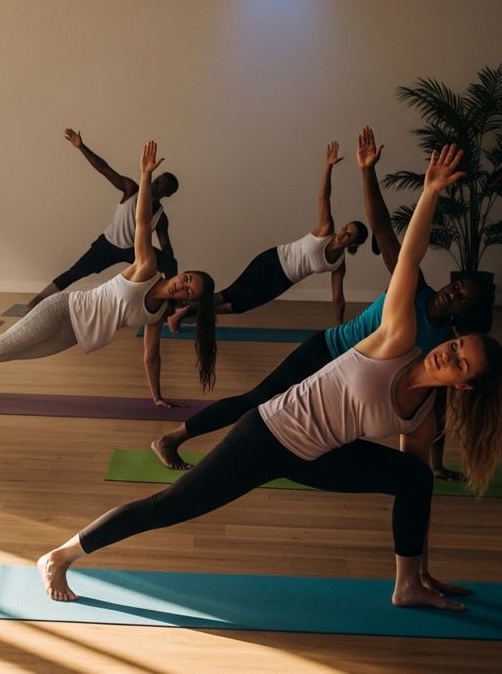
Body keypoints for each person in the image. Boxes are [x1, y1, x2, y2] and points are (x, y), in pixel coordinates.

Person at [38, 144, 502, 611]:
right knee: (173, 506)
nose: (450, 354)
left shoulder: (423, 414)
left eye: (462, 363)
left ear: (463, 385)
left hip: (318, 454)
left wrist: (422, 565)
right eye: (457, 347)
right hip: (268, 435)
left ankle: (410, 583)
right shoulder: (399, 340)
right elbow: (407, 260)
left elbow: (416, 493)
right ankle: (61, 555)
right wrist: (430, 194)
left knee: (416, 478)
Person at [152, 127, 495, 471]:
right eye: (460, 284)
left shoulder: (442, 345)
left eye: (465, 297)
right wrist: (367, 170)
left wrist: (434, 465)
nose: (456, 290)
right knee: (256, 400)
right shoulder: (414, 288)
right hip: (329, 351)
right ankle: (174, 437)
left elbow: (432, 406)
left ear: (466, 312)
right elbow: (381, 229)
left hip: (348, 387)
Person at [0, 141, 217, 409]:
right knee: (0, 345)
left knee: (4, 353)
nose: (183, 286)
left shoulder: (157, 314)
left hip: (74, 335)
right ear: (186, 273)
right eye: (188, 279)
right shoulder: (147, 268)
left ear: (189, 300)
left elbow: (151, 356)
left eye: (190, 292)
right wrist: (145, 175)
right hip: (63, 311)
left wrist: (157, 396)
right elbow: (140, 222)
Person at [167, 141, 367, 332]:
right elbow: (324, 197)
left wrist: (341, 324)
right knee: (228, 295)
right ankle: (181, 313)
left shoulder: (338, 264)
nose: (343, 233)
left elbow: (338, 297)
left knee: (237, 307)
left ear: (354, 243)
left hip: (283, 282)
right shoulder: (325, 230)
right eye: (345, 228)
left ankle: (185, 313)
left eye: (350, 235)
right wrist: (328, 166)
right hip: (272, 262)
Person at [25, 128, 178, 310]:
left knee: (170, 263)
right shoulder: (131, 190)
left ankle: (172, 308)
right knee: (75, 272)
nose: (156, 184)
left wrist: (167, 270)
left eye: (162, 185)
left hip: (133, 251)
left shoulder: (160, 217)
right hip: (107, 244)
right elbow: (103, 168)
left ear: (167, 194)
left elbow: (166, 247)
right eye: (157, 179)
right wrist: (81, 147)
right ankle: (36, 301)